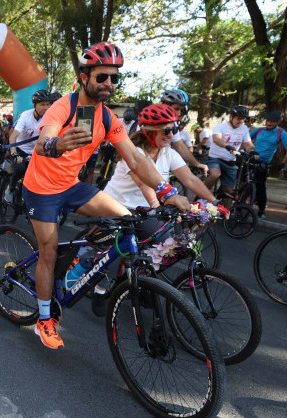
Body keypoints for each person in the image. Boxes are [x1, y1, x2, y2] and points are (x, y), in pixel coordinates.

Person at [24, 41, 189, 349]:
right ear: (84, 76)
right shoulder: (64, 107)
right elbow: (43, 140)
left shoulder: (108, 119)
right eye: (102, 77)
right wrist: (57, 145)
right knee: (47, 253)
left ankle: (80, 265)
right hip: (42, 190)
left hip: (71, 186)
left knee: (126, 220)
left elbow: (137, 160)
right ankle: (44, 319)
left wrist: (168, 192)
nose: (109, 84)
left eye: (114, 78)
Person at [104, 104, 216, 208]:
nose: (171, 135)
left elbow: (190, 179)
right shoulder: (134, 152)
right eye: (166, 131)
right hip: (117, 205)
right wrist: (157, 207)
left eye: (174, 130)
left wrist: (214, 202)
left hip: (143, 210)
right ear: (150, 132)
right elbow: (144, 184)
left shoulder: (168, 153)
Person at [5, 89, 55, 203]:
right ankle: (11, 188)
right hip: (21, 149)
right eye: (42, 104)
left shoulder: (49, 117)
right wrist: (14, 153)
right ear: (35, 105)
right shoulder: (25, 115)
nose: (46, 107)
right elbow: (13, 137)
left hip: (36, 152)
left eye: (48, 104)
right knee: (20, 168)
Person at [203, 105, 255, 206]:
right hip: (215, 158)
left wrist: (253, 151)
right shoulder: (220, 126)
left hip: (231, 161)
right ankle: (201, 194)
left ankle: (225, 217)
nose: (241, 121)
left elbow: (248, 144)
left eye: (243, 119)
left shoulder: (244, 129)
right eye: (238, 118)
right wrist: (228, 146)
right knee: (215, 174)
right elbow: (216, 139)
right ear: (231, 117)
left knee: (228, 194)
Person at [248, 110, 287, 218]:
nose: (269, 123)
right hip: (250, 159)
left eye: (272, 121)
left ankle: (261, 210)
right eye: (267, 120)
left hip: (263, 163)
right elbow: (246, 140)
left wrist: (282, 164)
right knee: (241, 181)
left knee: (260, 186)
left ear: (278, 122)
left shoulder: (281, 133)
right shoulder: (259, 130)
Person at [160, 89, 208, 175]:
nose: (178, 113)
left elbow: (180, 145)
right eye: (176, 109)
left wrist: (196, 163)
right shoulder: (151, 123)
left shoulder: (173, 124)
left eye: (181, 110)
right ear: (165, 106)